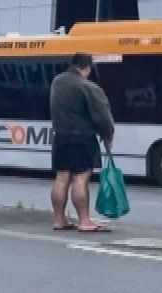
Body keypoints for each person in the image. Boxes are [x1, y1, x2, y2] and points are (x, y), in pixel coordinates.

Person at [50, 52, 117, 232]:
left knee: (61, 177)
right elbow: (103, 116)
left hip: (60, 136)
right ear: (86, 68)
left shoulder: (57, 82)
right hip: (82, 138)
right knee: (80, 178)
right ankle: (84, 221)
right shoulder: (88, 86)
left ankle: (59, 219)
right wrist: (107, 136)